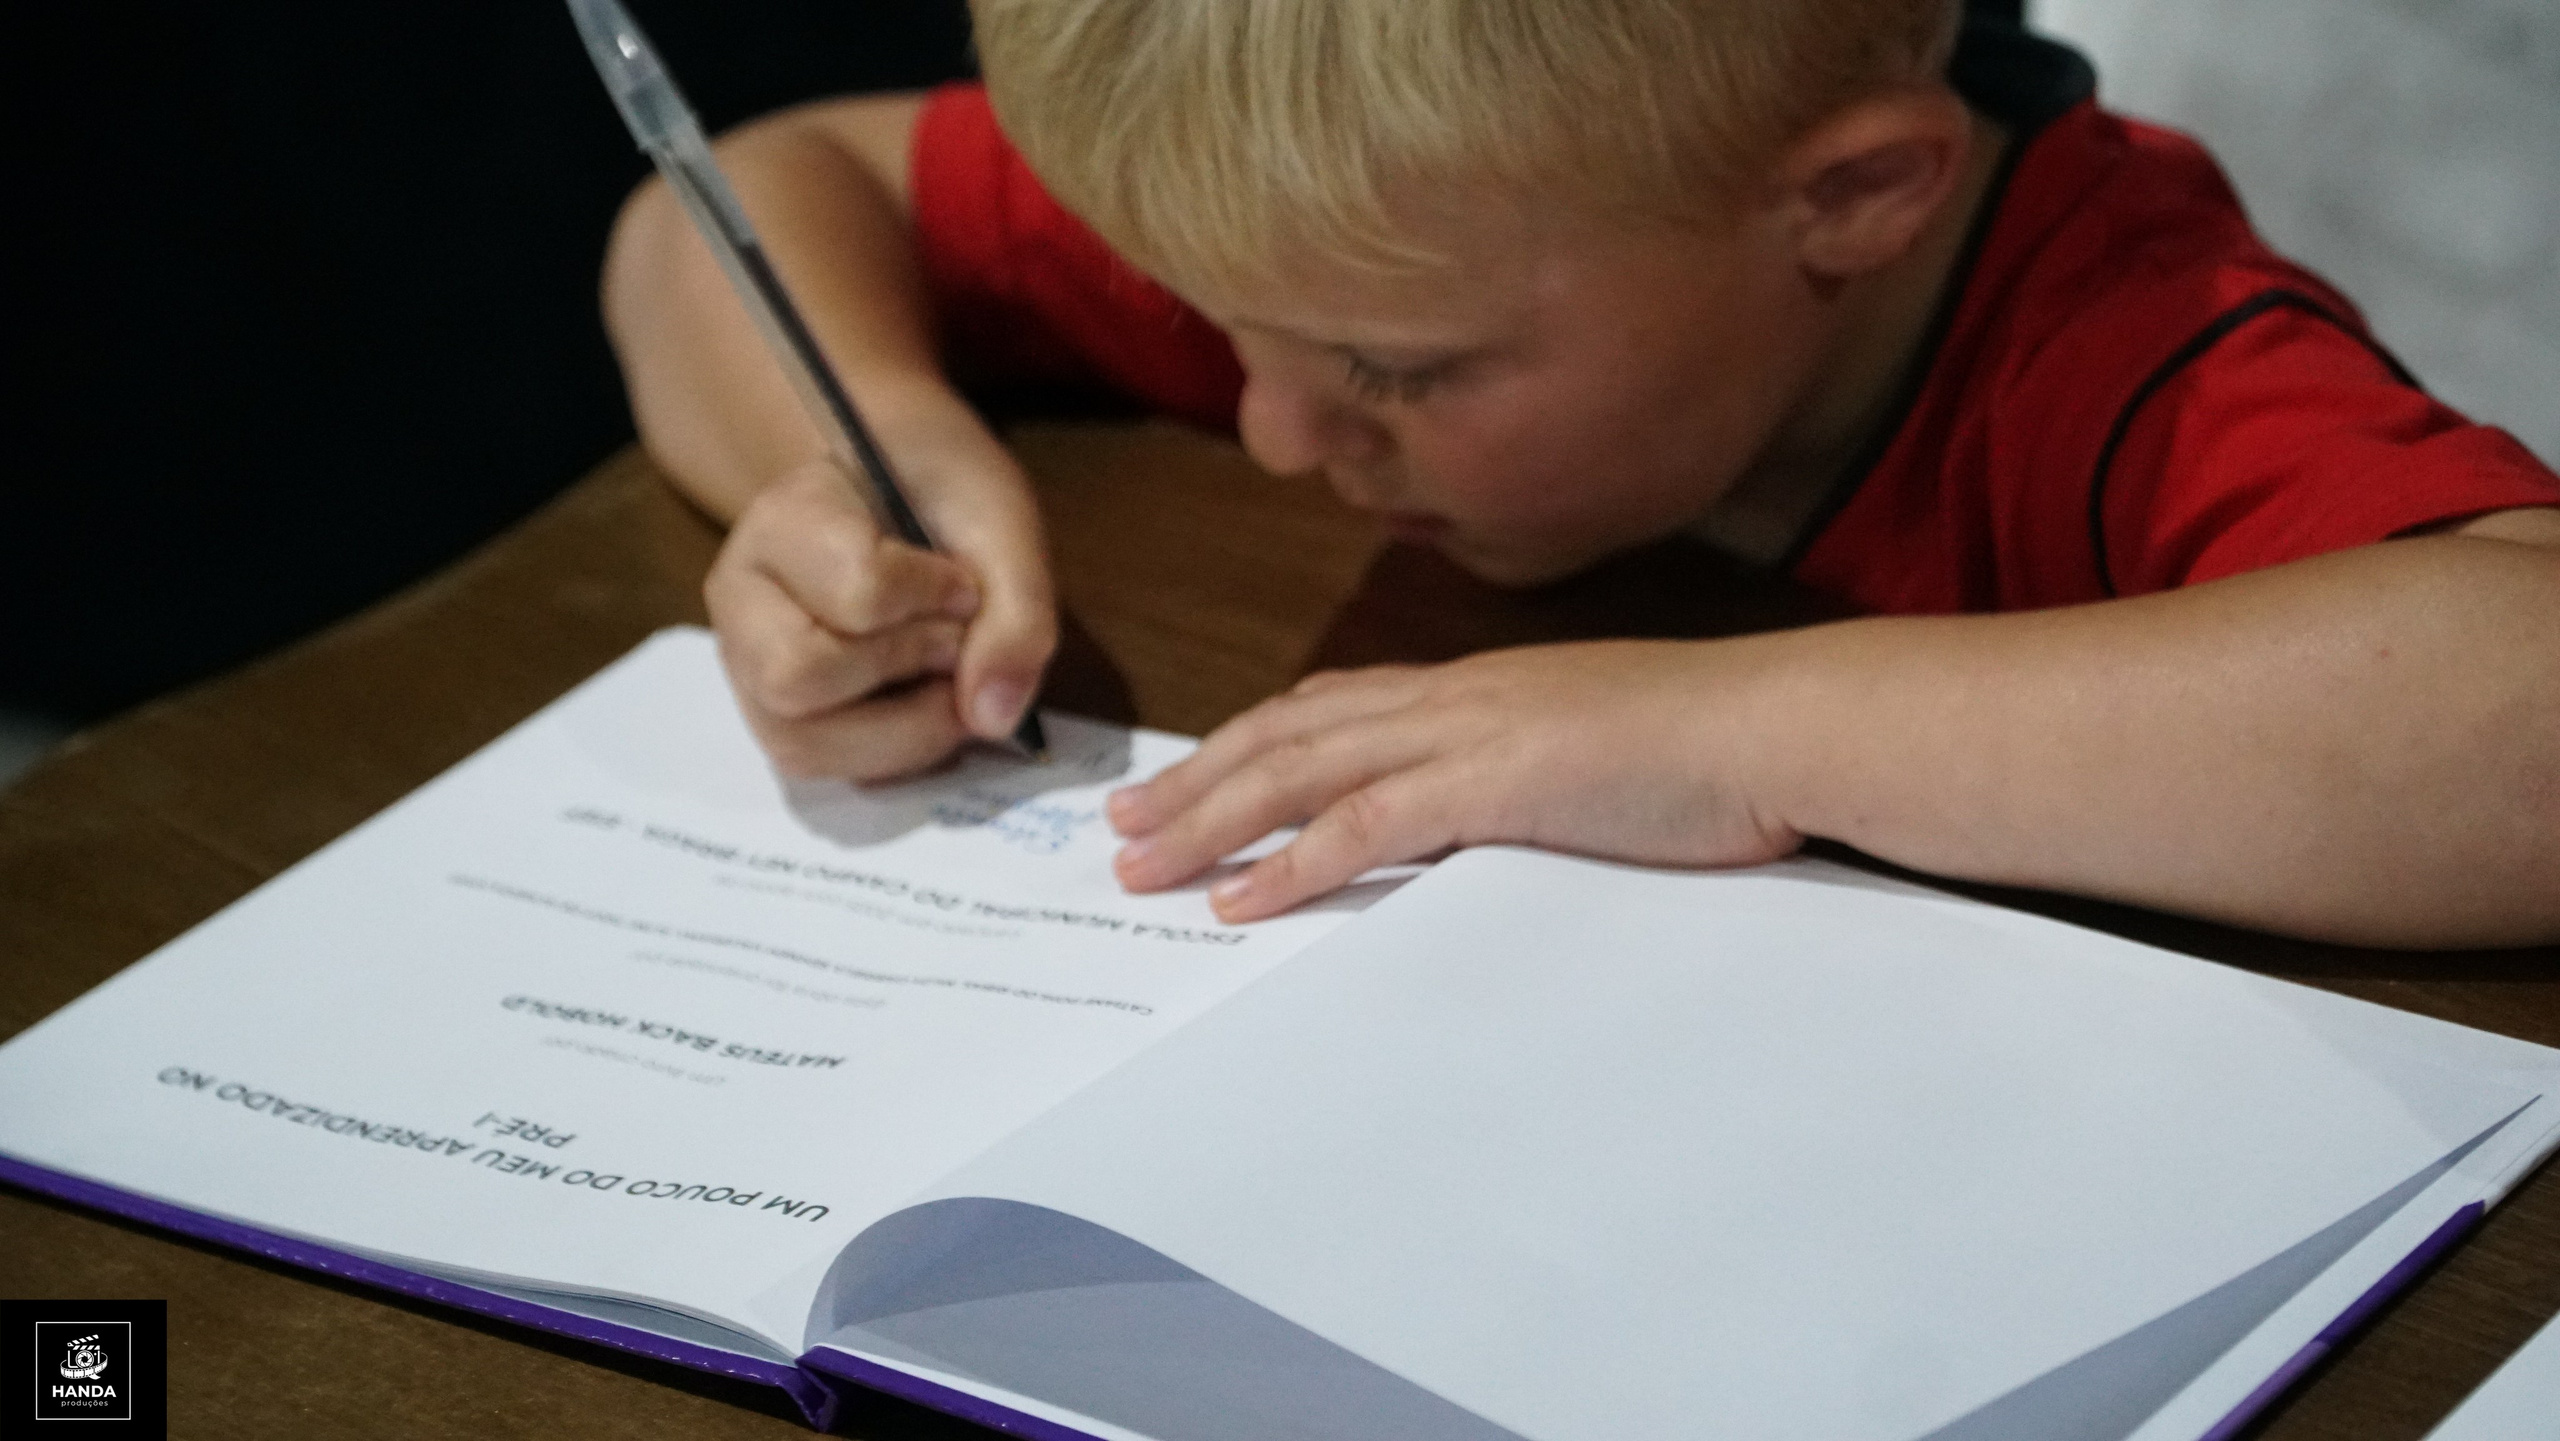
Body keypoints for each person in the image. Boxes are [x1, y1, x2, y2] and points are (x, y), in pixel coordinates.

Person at [600, 0, 2560, 948]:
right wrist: (873, 456)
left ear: (1849, 201)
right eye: (1213, 324)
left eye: (1389, 369)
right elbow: (736, 213)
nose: (1278, 428)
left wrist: (1732, 730)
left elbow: (2518, 715)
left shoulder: (2101, 342)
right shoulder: (1357, 209)